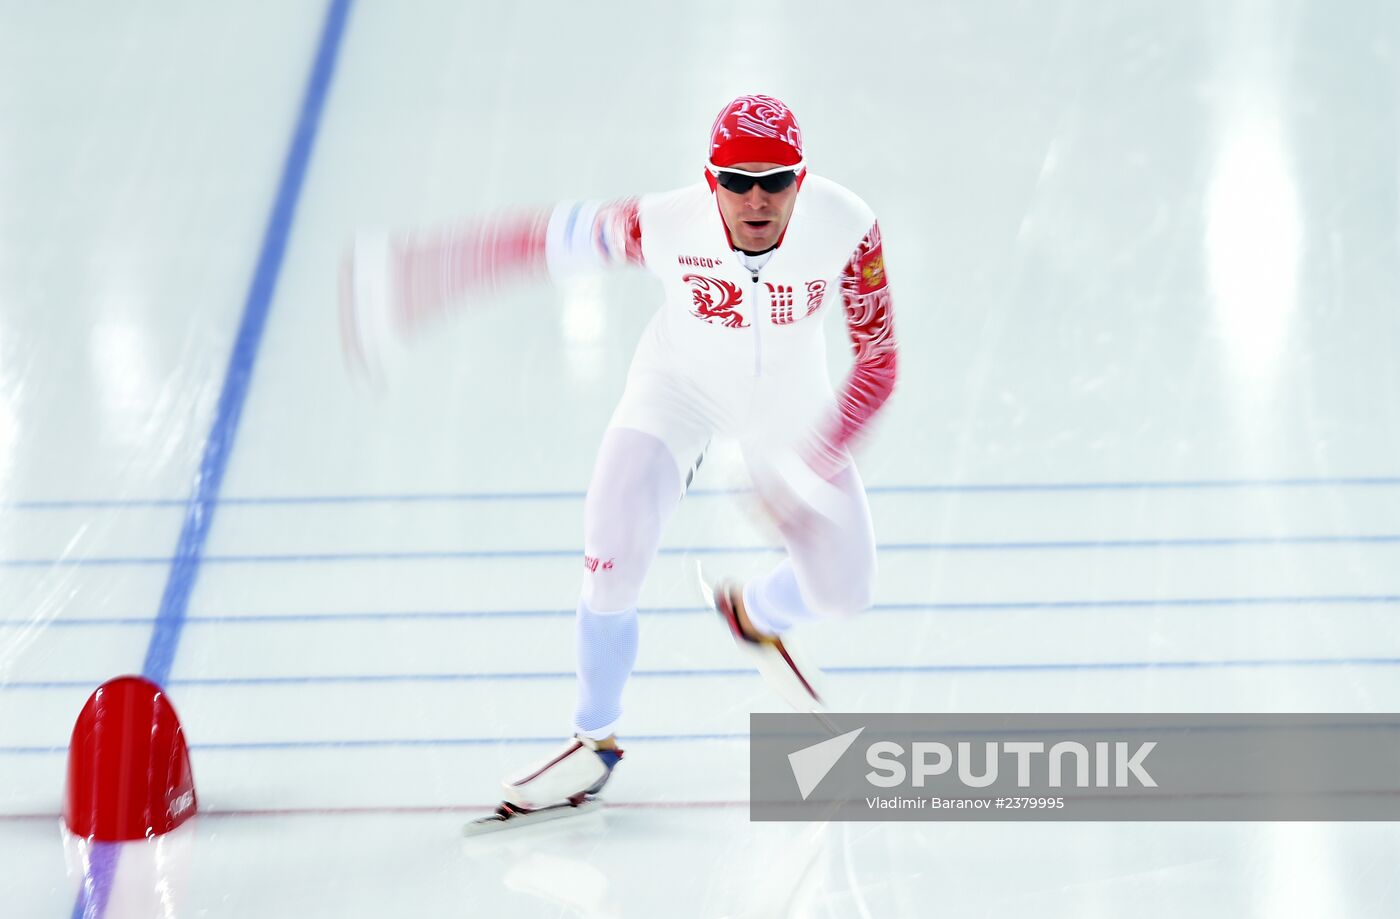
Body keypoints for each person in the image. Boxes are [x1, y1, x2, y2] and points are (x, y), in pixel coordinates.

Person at [342, 94, 897, 816]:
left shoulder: (846, 227)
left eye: (775, 179)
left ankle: (758, 612)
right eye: (735, 180)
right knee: (611, 543)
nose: (755, 198)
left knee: (846, 591)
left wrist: (811, 462)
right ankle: (593, 738)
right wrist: (421, 273)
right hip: (680, 390)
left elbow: (878, 361)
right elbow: (539, 241)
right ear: (709, 181)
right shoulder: (661, 223)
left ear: (802, 177)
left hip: (791, 414)